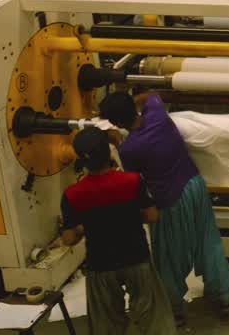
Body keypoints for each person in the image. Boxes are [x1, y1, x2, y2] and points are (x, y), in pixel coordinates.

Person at [100, 90, 229, 325]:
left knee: (168, 256)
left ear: (116, 123)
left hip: (170, 199)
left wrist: (118, 139)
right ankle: (225, 298)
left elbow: (135, 179)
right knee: (208, 241)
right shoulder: (158, 116)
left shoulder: (130, 148)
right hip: (194, 186)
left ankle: (174, 309)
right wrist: (128, 103)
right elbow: (153, 94)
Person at [61, 127, 177, 335]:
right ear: (108, 151)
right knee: (154, 318)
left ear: (80, 159)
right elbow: (152, 216)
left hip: (101, 265)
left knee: (106, 324)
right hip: (136, 258)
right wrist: (128, 216)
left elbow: (69, 239)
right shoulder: (132, 181)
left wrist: (86, 225)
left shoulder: (73, 194)